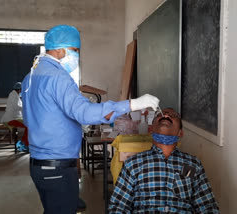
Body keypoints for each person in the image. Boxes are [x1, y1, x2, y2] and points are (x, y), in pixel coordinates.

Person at [21, 24, 159, 214]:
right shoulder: (58, 78)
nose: (76, 56)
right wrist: (132, 104)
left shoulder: (31, 75)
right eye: (75, 50)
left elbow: (29, 120)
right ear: (61, 50)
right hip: (57, 168)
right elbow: (84, 113)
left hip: (38, 165)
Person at [108, 108, 220, 213]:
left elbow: (207, 206)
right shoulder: (133, 164)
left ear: (180, 133)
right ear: (151, 129)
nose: (165, 115)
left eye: (173, 115)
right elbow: (118, 206)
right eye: (160, 115)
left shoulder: (193, 165)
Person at [1, 82, 29, 152]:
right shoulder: (13, 95)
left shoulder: (16, 96)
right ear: (19, 89)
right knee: (29, 126)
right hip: (10, 119)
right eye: (22, 90)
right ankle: (23, 145)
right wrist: (26, 108)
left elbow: (20, 107)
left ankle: (24, 144)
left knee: (29, 125)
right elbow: (17, 107)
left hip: (15, 117)